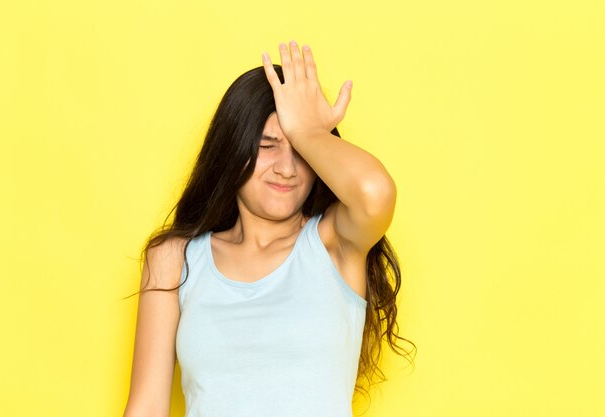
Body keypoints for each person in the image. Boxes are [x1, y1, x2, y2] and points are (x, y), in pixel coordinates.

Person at [123, 40, 415, 417]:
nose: (287, 168)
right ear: (233, 148)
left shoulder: (333, 245)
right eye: (268, 145)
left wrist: (311, 132)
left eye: (300, 151)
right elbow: (146, 408)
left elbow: (375, 193)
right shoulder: (173, 259)